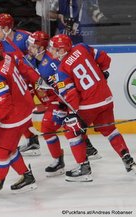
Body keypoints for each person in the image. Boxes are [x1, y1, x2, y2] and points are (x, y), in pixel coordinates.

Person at [51, 34, 136, 182]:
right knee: (110, 130)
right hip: (106, 98)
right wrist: (102, 71)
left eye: (54, 49)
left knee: (71, 131)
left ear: (62, 50)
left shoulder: (62, 69)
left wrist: (73, 114)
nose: (51, 52)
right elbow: (105, 59)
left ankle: (84, 168)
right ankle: (127, 158)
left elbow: (72, 96)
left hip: (89, 105)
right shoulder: (82, 48)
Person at [25, 31, 100, 177]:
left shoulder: (52, 62)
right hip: (54, 100)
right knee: (61, 128)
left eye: (33, 46)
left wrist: (56, 93)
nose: (29, 48)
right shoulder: (36, 59)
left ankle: (65, 161)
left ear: (41, 48)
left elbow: (65, 83)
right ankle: (86, 150)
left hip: (62, 100)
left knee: (50, 127)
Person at [0, 39, 37, 194]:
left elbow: (4, 105)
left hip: (14, 116)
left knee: (1, 150)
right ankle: (26, 176)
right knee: (9, 149)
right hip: (24, 108)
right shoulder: (8, 57)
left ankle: (0, 181)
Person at [0, 13, 41, 156]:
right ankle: (32, 140)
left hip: (38, 80)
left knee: (55, 108)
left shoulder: (25, 37)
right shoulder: (0, 45)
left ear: (7, 28)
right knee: (20, 111)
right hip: (23, 83)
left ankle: (84, 143)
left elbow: (42, 51)